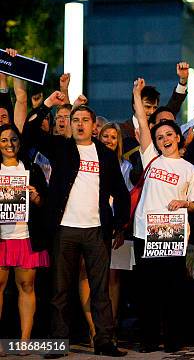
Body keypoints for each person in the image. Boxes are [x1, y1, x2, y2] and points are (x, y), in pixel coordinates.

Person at [23, 91, 129, 357]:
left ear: (94, 126)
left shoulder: (105, 155)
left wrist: (119, 225)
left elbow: (121, 192)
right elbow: (31, 131)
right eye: (76, 119)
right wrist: (48, 104)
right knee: (60, 291)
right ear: (70, 124)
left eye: (85, 119)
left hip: (96, 230)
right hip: (65, 229)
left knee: (100, 290)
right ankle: (58, 343)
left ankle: (104, 341)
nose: (80, 124)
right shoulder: (61, 148)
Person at [131, 78, 194, 353]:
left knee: (173, 289)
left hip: (172, 232)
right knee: (147, 290)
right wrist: (137, 93)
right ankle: (149, 339)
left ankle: (174, 339)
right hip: (145, 231)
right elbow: (140, 118)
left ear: (178, 137)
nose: (164, 139)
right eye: (159, 137)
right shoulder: (150, 158)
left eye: (169, 135)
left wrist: (183, 203)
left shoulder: (189, 169)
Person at [78, 122, 134, 344]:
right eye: (105, 136)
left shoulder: (127, 166)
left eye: (114, 137)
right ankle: (93, 329)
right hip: (88, 224)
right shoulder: (87, 160)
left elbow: (127, 198)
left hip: (116, 227)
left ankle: (110, 327)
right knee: (86, 274)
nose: (109, 140)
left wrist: (120, 226)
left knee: (113, 277)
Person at [0, 124, 48, 346]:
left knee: (27, 286)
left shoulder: (32, 169)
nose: (10, 145)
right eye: (4, 140)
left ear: (20, 143)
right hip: (1, 237)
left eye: (14, 140)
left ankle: (25, 341)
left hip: (25, 236)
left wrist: (36, 196)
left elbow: (43, 204)